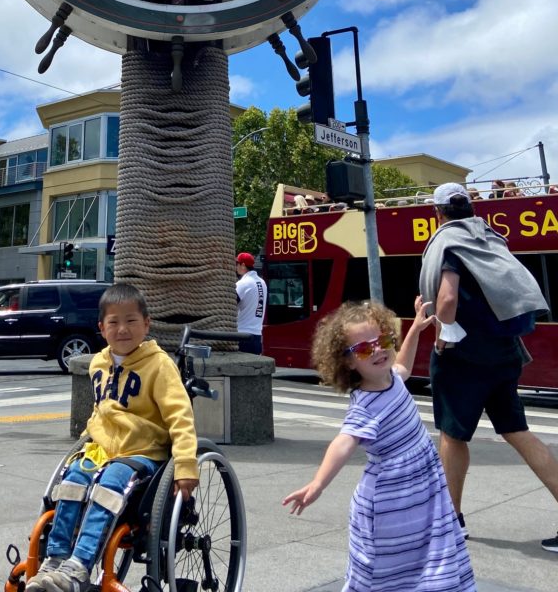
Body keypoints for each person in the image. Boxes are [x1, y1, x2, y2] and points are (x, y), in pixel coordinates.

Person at [282, 297, 475, 592]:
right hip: (392, 496)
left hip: (419, 487)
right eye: (363, 348)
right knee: (389, 562)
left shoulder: (391, 378)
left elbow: (404, 366)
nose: (377, 350)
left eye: (382, 339)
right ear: (347, 361)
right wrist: (318, 483)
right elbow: (344, 442)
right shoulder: (365, 405)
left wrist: (416, 329)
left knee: (424, 548)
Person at [26, 283, 198, 592]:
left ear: (146, 323)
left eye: (131, 321)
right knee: (73, 479)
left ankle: (78, 568)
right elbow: (99, 411)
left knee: (110, 484)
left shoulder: (159, 366)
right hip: (101, 452)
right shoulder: (98, 364)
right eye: (114, 322)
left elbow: (181, 417)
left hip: (142, 451)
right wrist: (88, 440)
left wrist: (185, 464)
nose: (123, 329)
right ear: (101, 328)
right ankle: (55, 560)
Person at [419, 181, 558, 552]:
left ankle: (453, 520)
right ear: (470, 208)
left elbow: (446, 297)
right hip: (504, 353)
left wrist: (444, 335)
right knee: (518, 431)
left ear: (439, 213)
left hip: (465, 357)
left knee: (453, 435)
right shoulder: (492, 239)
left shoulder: (450, 244)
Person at [235, 252, 267, 354]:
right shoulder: (262, 283)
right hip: (257, 336)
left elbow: (229, 305)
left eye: (237, 264)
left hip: (242, 335)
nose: (236, 267)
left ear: (243, 265)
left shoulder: (243, 283)